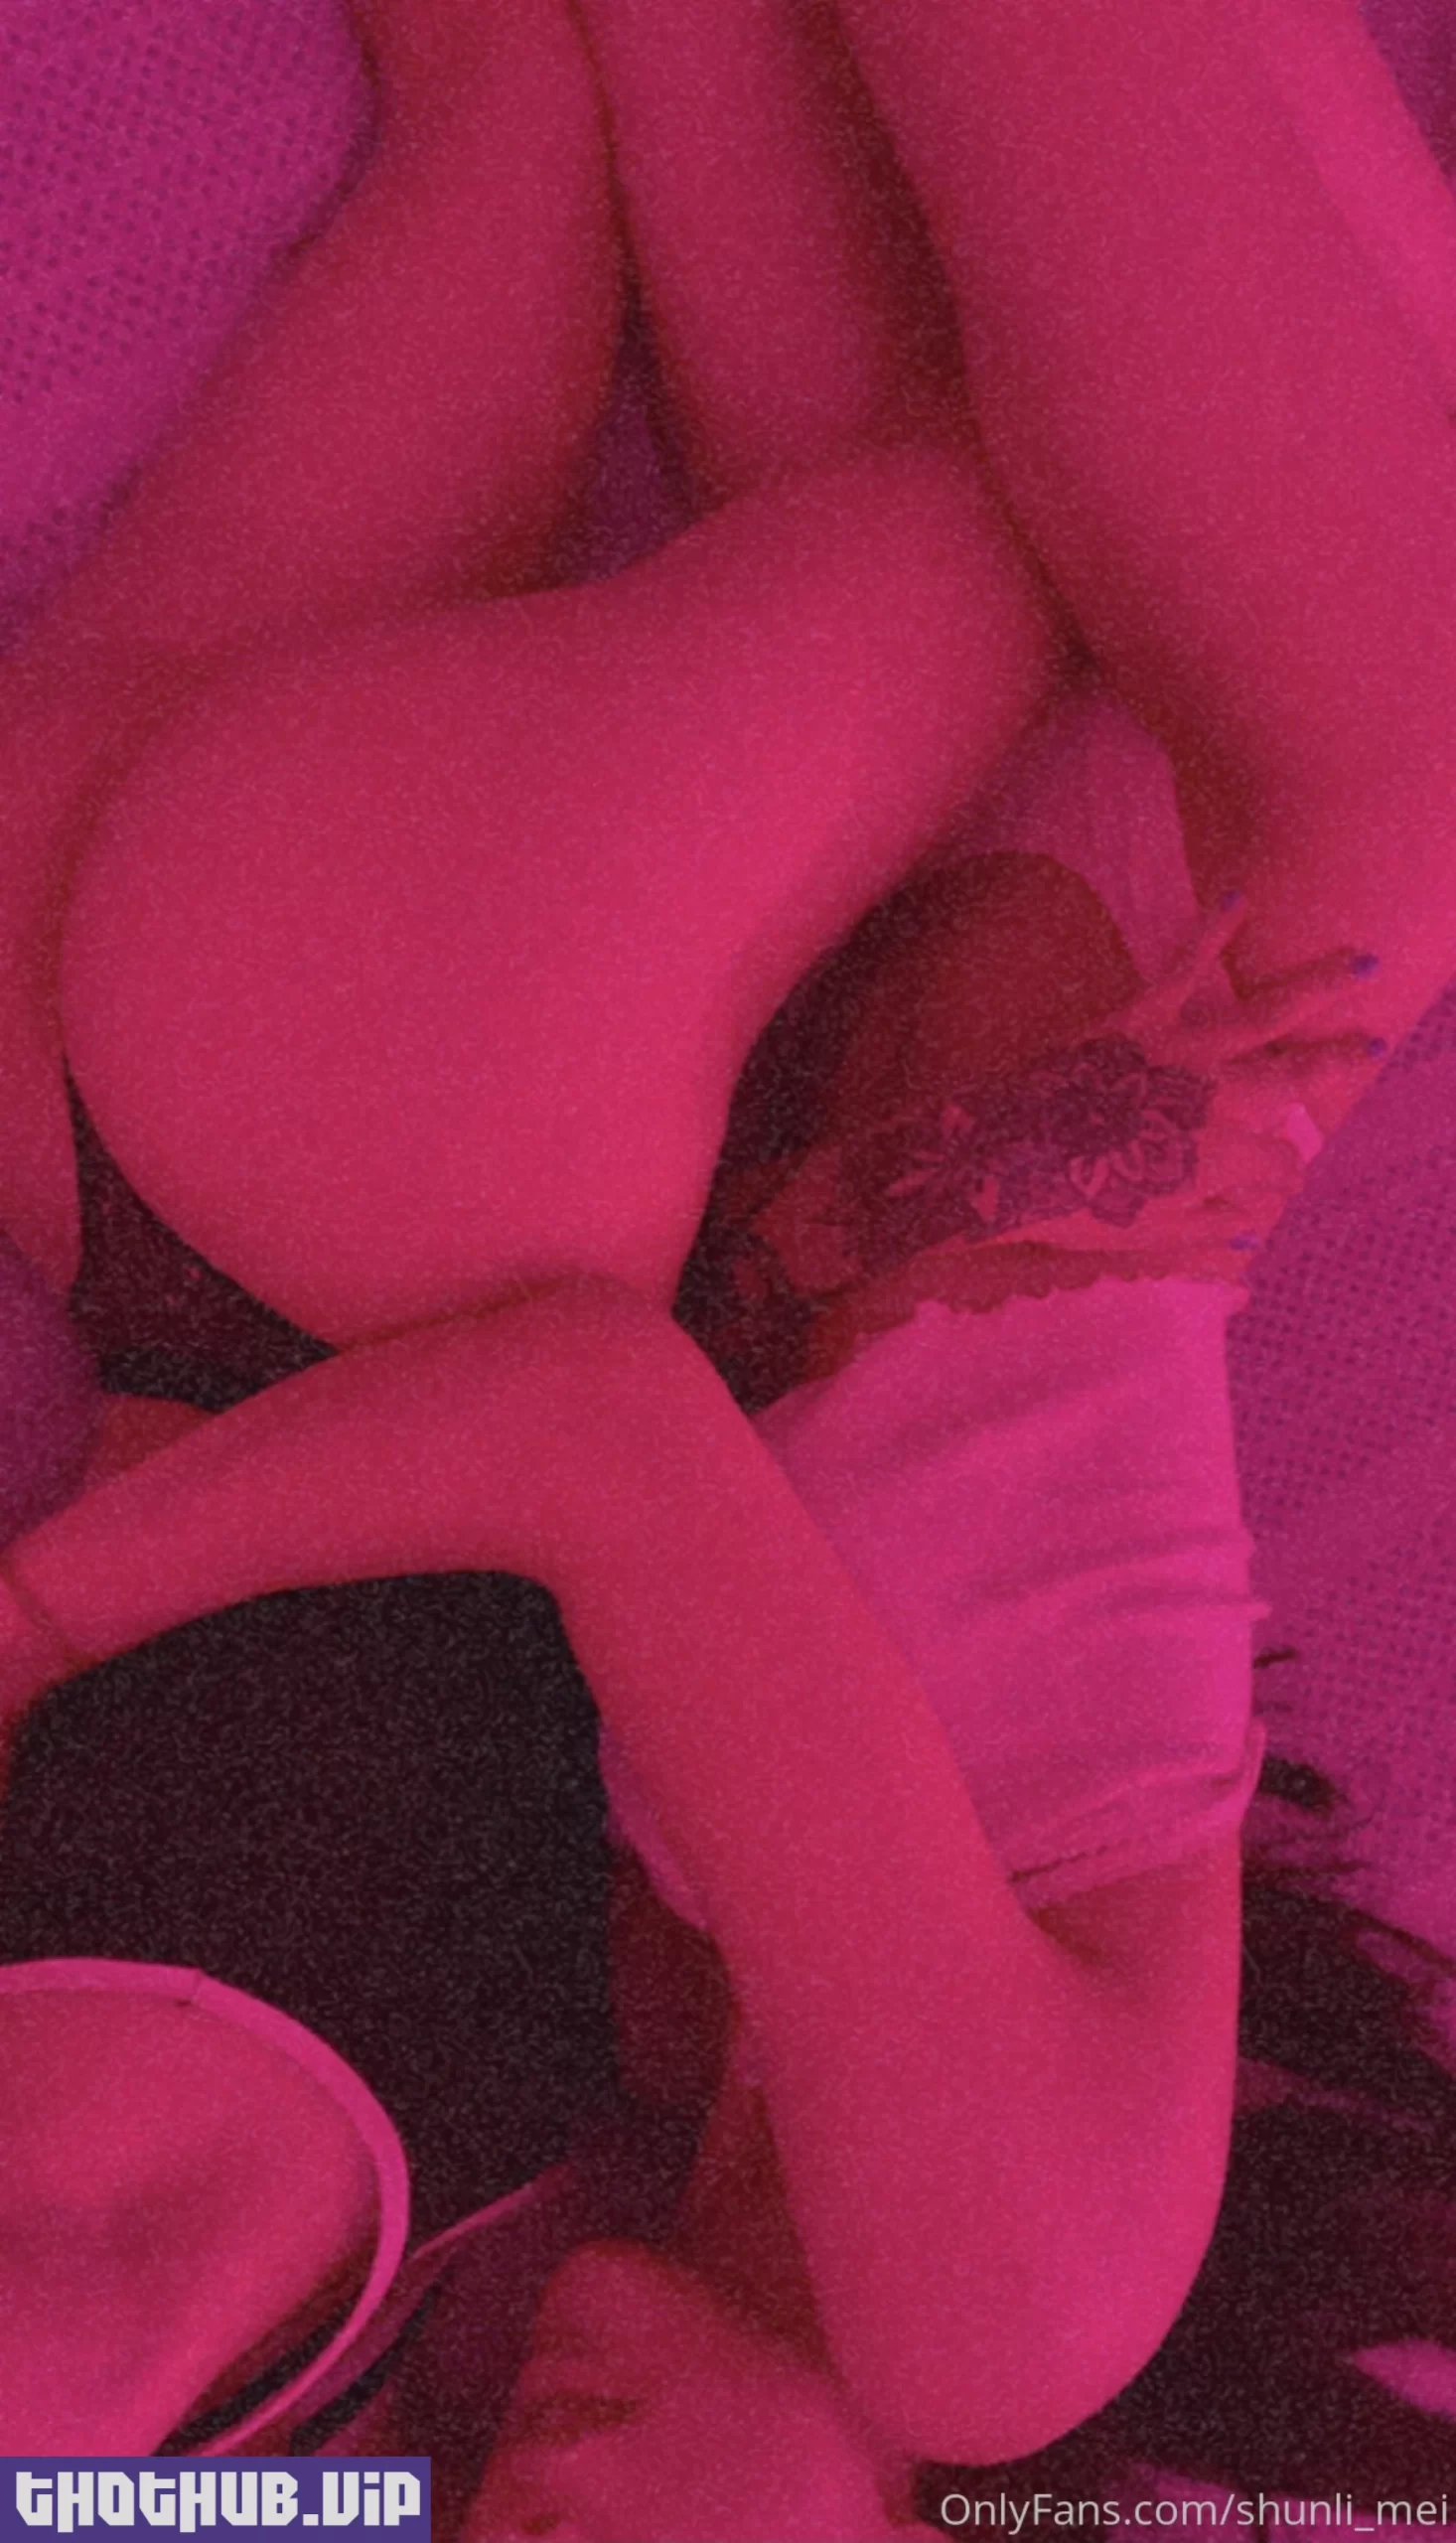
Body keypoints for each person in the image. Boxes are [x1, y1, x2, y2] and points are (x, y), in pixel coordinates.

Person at [0, 0, 1444, 2523]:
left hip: (927, 897)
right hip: (1237, 832)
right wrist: (40, 1617)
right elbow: (593, 1426)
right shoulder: (991, 2314)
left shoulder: (678, 2108)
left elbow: (140, 2478)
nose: (515, 2525)